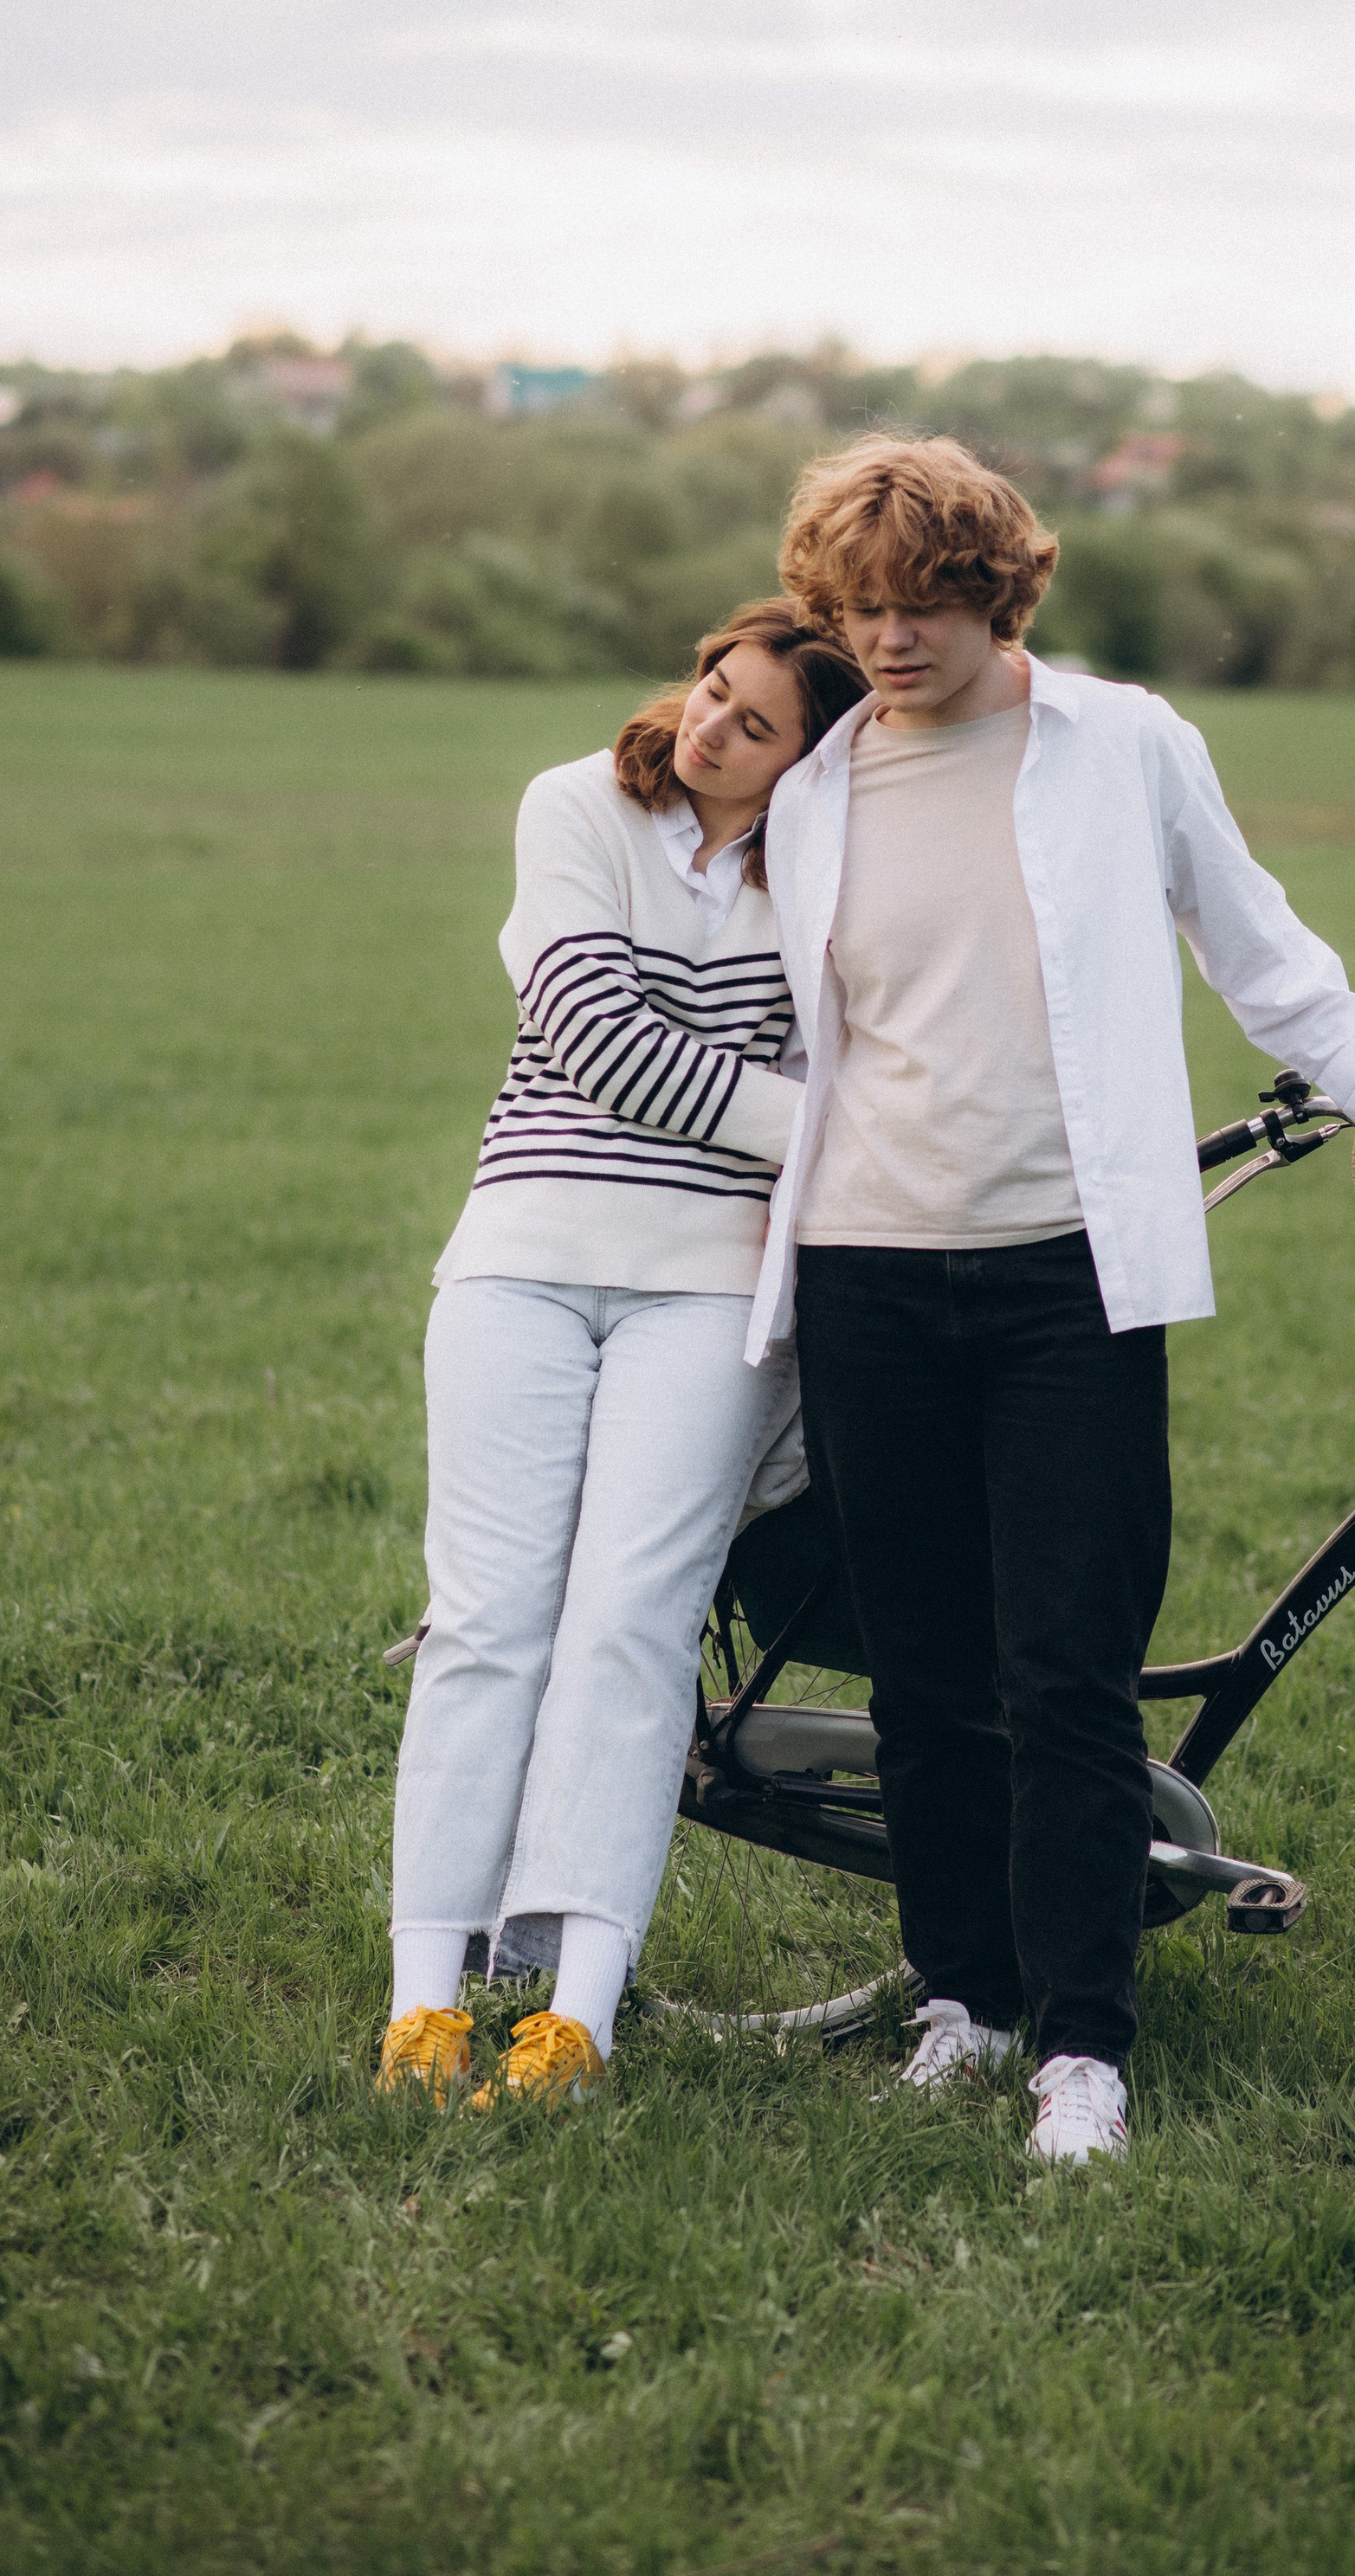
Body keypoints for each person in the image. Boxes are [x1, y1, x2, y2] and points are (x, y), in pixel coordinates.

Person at [752, 436, 1355, 2164]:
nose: (889, 642)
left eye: (923, 608)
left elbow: (1269, 962)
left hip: (1070, 1279)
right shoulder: (816, 792)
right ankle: (958, 2000)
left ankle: (1083, 2054)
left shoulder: (1121, 742)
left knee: (1066, 1673)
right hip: (864, 1274)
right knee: (923, 1677)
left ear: (997, 588)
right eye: (860, 610)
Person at [378, 599, 867, 2106]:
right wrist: (830, 1130)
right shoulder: (576, 803)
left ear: (812, 765)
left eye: (758, 723)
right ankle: (426, 2001)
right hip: (522, 1260)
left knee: (633, 1628)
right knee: (486, 1625)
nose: (710, 725)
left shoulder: (840, 875)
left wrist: (837, 1119)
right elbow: (592, 1035)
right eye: (715, 688)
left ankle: (573, 2014)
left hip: (716, 1296)